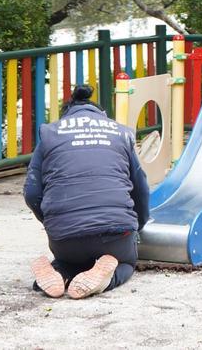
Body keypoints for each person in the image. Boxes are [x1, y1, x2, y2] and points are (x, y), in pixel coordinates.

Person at [23, 84, 150, 298]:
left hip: (65, 239)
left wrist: (53, 222)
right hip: (115, 235)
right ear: (101, 114)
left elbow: (32, 193)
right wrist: (138, 225)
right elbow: (141, 190)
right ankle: (106, 278)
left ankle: (57, 274)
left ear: (67, 114)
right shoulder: (120, 132)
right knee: (126, 263)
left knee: (69, 260)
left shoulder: (50, 133)